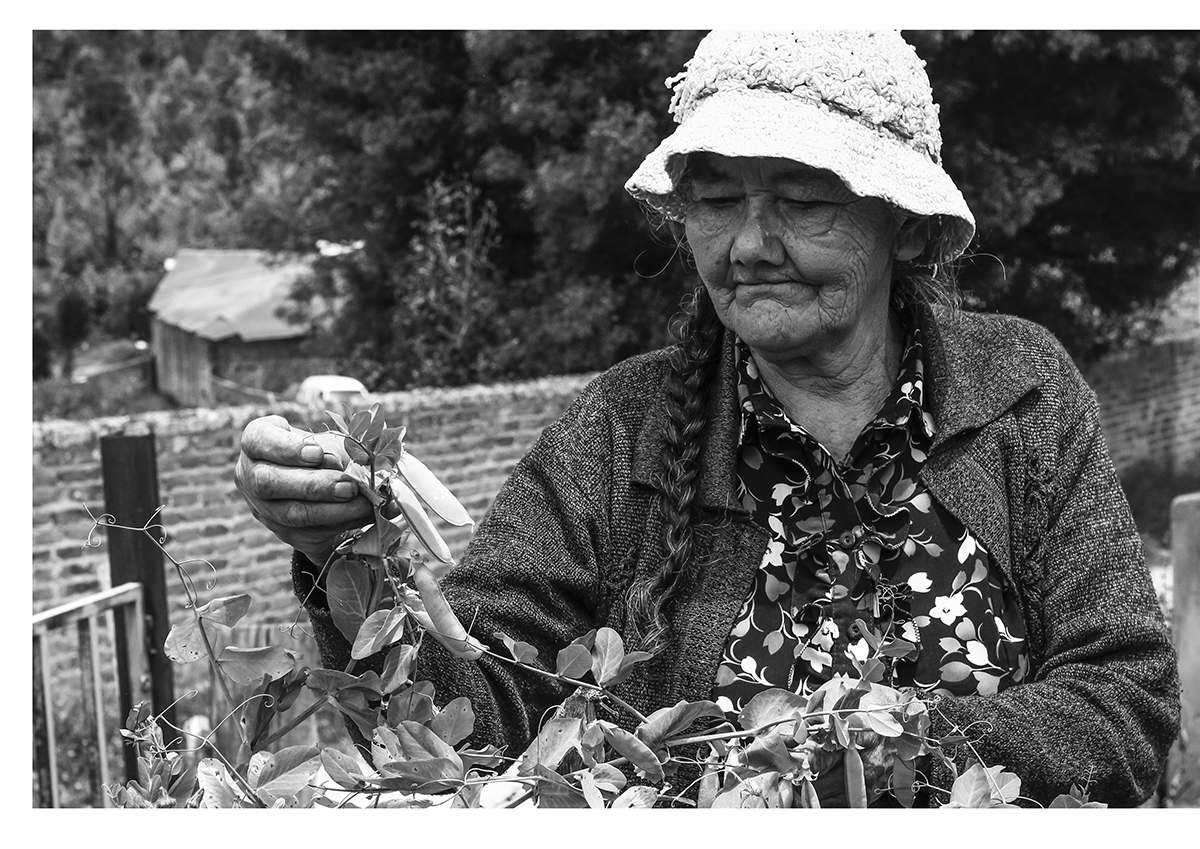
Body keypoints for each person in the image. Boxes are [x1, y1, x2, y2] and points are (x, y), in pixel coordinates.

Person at [235, 30, 1179, 807]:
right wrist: (348, 558)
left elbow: (1127, 702)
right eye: (717, 198)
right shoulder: (619, 430)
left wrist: (870, 752)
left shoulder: (1021, 391)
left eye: (805, 200)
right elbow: (474, 721)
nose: (751, 244)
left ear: (909, 226)